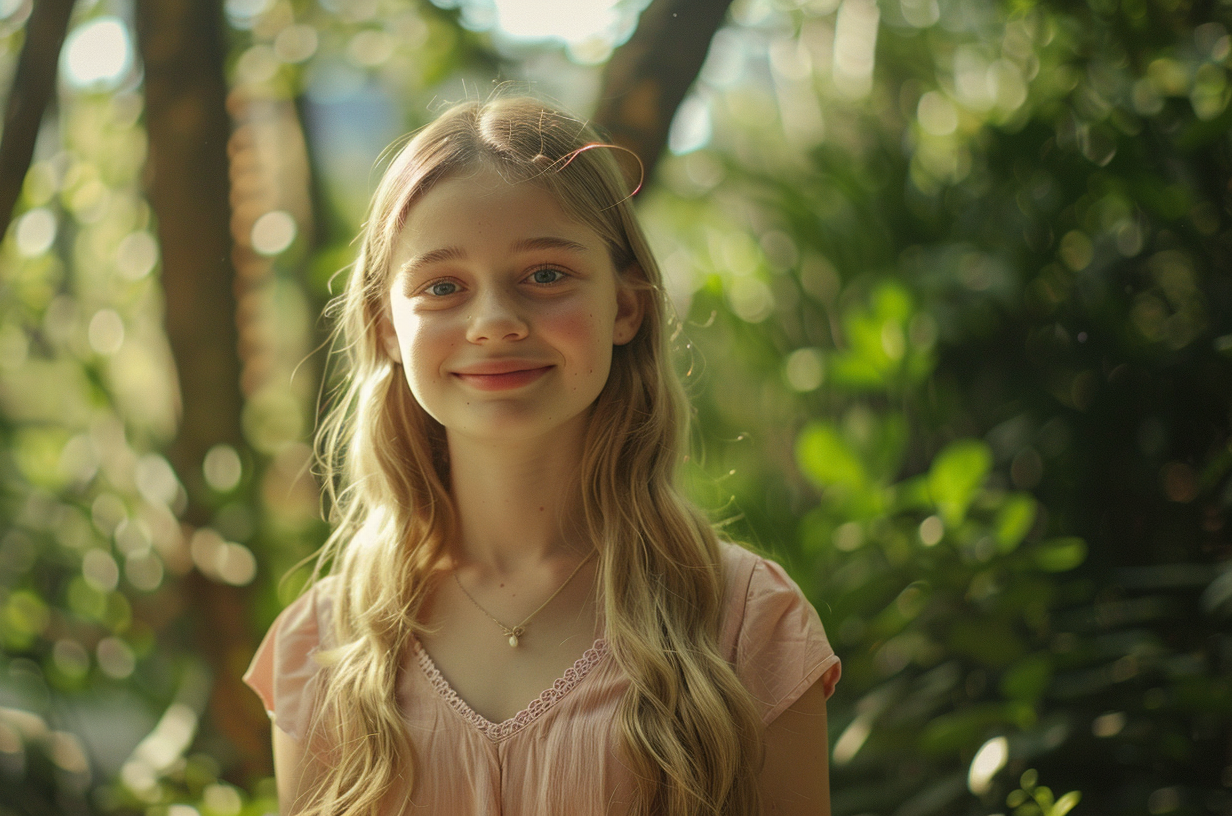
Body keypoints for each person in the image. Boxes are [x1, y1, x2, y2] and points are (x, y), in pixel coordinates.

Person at [243, 96, 840, 816]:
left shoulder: (748, 624)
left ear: (626, 307)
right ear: (387, 329)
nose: (494, 321)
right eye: (442, 287)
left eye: (546, 274)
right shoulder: (323, 646)